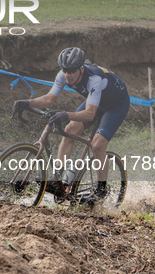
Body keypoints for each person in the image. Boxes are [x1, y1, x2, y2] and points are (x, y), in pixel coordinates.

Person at [13, 47, 130, 204]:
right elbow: (49, 99)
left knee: (97, 145)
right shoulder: (63, 75)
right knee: (69, 129)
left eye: (72, 71)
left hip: (116, 105)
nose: (68, 74)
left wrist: (65, 114)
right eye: (65, 70)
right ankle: (59, 179)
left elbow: (90, 114)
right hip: (96, 101)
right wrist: (26, 102)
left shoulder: (94, 79)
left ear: (81, 69)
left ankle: (101, 190)